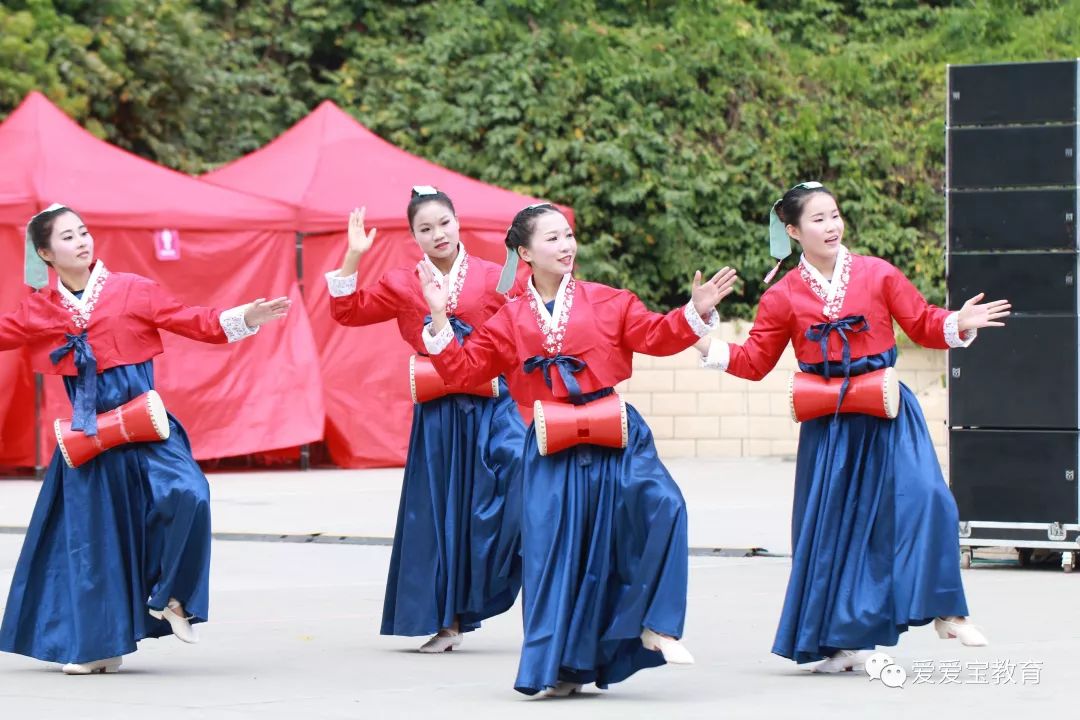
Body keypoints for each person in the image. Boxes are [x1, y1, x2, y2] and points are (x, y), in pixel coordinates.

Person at [417, 203, 738, 695]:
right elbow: (462, 372)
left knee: (665, 507)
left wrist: (695, 311)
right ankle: (563, 668)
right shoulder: (509, 319)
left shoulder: (608, 301)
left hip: (615, 435)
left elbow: (656, 335)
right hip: (548, 445)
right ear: (525, 252)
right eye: (552, 238)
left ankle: (656, 624)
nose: (566, 245)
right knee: (553, 558)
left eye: (568, 235)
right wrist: (439, 315)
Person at [694, 182, 1009, 672]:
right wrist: (705, 343)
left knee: (929, 498)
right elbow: (756, 360)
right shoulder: (782, 296)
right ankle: (838, 641)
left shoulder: (877, 273)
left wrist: (958, 320)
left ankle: (947, 609)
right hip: (831, 426)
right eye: (818, 220)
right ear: (794, 231)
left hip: (887, 415)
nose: (832, 225)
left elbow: (922, 322)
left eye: (835, 215)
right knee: (833, 532)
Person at [0, 204, 290, 674]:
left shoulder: (131, 290)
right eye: (69, 237)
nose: (82, 241)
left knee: (190, 493)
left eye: (84, 232)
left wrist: (247, 316)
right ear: (45, 253)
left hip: (144, 425)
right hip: (91, 438)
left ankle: (173, 597)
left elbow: (199, 322)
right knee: (93, 543)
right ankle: (97, 647)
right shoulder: (42, 308)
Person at [326, 187, 524, 653]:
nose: (438, 234)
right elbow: (347, 312)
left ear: (459, 222)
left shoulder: (496, 275)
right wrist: (353, 257)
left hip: (495, 407)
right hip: (438, 415)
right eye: (425, 228)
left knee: (519, 474)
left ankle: (525, 567)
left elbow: (526, 309)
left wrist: (519, 256)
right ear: (413, 236)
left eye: (444, 223)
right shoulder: (401, 282)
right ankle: (449, 621)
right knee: (441, 516)